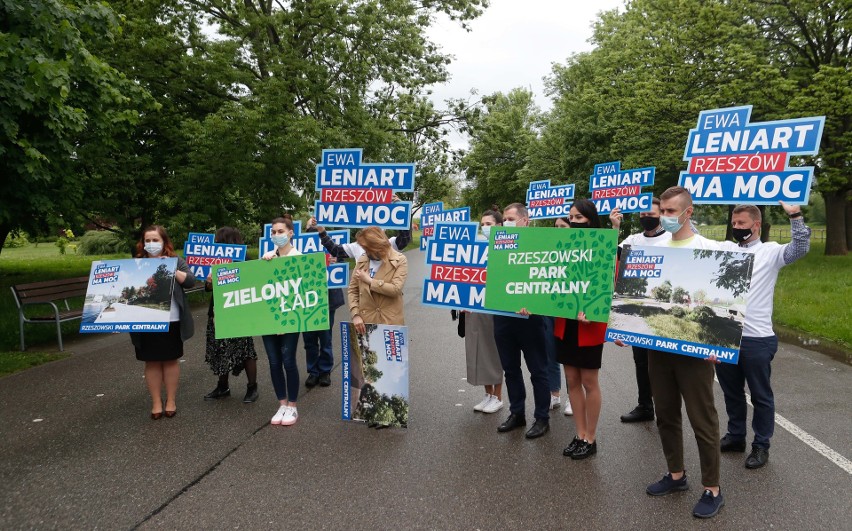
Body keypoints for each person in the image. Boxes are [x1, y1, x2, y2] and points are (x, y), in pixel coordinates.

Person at [643, 186, 724, 519]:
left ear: (689, 212)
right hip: (658, 347)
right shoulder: (654, 247)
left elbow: (720, 302)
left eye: (671, 212)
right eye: (663, 211)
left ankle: (712, 488)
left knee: (702, 418)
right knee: (664, 413)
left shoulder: (710, 249)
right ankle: (676, 474)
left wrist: (718, 341)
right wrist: (623, 327)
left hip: (695, 351)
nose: (665, 217)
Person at [715, 201, 810, 469]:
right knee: (731, 392)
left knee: (760, 395)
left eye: (742, 224)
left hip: (757, 338)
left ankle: (761, 445)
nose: (736, 228)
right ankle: (736, 436)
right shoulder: (727, 250)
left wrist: (795, 216)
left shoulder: (770, 252)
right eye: (734, 224)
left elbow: (800, 248)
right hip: (727, 335)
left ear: (756, 225)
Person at [553, 200, 608, 459]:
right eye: (571, 218)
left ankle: (591, 437)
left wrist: (594, 313)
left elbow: (607, 286)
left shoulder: (602, 248)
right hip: (566, 325)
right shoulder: (561, 249)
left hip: (589, 326)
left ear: (591, 219)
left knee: (589, 381)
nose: (575, 222)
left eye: (580, 217)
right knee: (572, 381)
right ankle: (579, 433)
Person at [491, 203, 551, 439]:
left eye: (510, 218)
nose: (506, 222)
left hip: (531, 319)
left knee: (538, 370)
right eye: (504, 219)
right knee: (510, 369)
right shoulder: (496, 245)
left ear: (525, 221)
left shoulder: (540, 243)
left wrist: (534, 303)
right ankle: (517, 413)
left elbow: (549, 280)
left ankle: (542, 417)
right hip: (503, 317)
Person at [609, 199, 671, 423]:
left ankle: (667, 411)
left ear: (661, 215)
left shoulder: (671, 238)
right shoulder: (633, 239)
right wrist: (615, 227)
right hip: (638, 309)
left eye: (651, 212)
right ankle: (645, 406)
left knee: (663, 366)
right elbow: (609, 255)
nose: (646, 216)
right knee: (642, 363)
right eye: (643, 212)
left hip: (663, 308)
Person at [130, 225, 195, 420]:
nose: (151, 244)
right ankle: (156, 402)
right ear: (143, 243)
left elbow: (190, 281)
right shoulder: (136, 263)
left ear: (164, 242)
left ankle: (171, 400)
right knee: (151, 361)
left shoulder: (176, 261)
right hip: (145, 321)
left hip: (171, 320)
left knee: (170, 360)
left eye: (155, 240)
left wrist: (172, 269)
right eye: (147, 241)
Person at [347, 226, 408, 418]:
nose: (363, 251)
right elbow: (353, 290)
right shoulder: (363, 260)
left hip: (389, 320)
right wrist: (355, 314)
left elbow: (396, 289)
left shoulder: (399, 260)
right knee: (371, 369)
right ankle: (373, 411)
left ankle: (389, 414)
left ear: (376, 245)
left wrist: (370, 281)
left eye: (366, 247)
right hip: (366, 321)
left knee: (389, 369)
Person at [203, 227, 259, 403]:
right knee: (220, 349)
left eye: (219, 242)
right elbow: (209, 288)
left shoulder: (244, 260)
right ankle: (222, 386)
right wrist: (210, 282)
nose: (216, 245)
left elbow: (252, 282)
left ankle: (252, 388)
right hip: (218, 312)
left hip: (238, 312)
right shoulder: (215, 261)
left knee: (246, 350)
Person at [260, 216, 303, 426]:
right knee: (274, 362)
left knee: (288, 361)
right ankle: (282, 404)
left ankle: (293, 406)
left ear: (291, 233)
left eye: (280, 231)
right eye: (273, 232)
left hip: (290, 321)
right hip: (268, 320)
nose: (277, 235)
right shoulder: (267, 258)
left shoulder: (299, 258)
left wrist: (285, 322)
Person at [464, 209, 504, 414]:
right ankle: (487, 394)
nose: (485, 228)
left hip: (495, 306)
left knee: (493, 351)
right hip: (475, 307)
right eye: (483, 224)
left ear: (499, 225)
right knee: (477, 349)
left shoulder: (506, 248)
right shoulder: (476, 246)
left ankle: (498, 396)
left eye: (489, 224)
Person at [302, 226, 345, 388]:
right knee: (309, 339)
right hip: (306, 301)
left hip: (328, 299)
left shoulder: (334, 240)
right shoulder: (302, 246)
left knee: (325, 337)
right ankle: (313, 372)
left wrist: (336, 261)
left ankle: (325, 371)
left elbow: (342, 258)